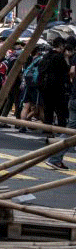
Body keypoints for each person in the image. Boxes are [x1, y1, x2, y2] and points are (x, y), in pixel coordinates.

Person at [47, 37, 76, 169]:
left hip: (73, 96)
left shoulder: (73, 58)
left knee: (69, 130)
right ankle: (55, 158)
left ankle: (55, 158)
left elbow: (72, 72)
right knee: (70, 130)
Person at [40, 36, 70, 144]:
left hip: (45, 87)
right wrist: (66, 58)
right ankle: (61, 134)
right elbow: (67, 71)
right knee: (60, 111)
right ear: (61, 46)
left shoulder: (46, 56)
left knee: (48, 110)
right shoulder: (59, 57)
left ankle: (49, 133)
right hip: (57, 87)